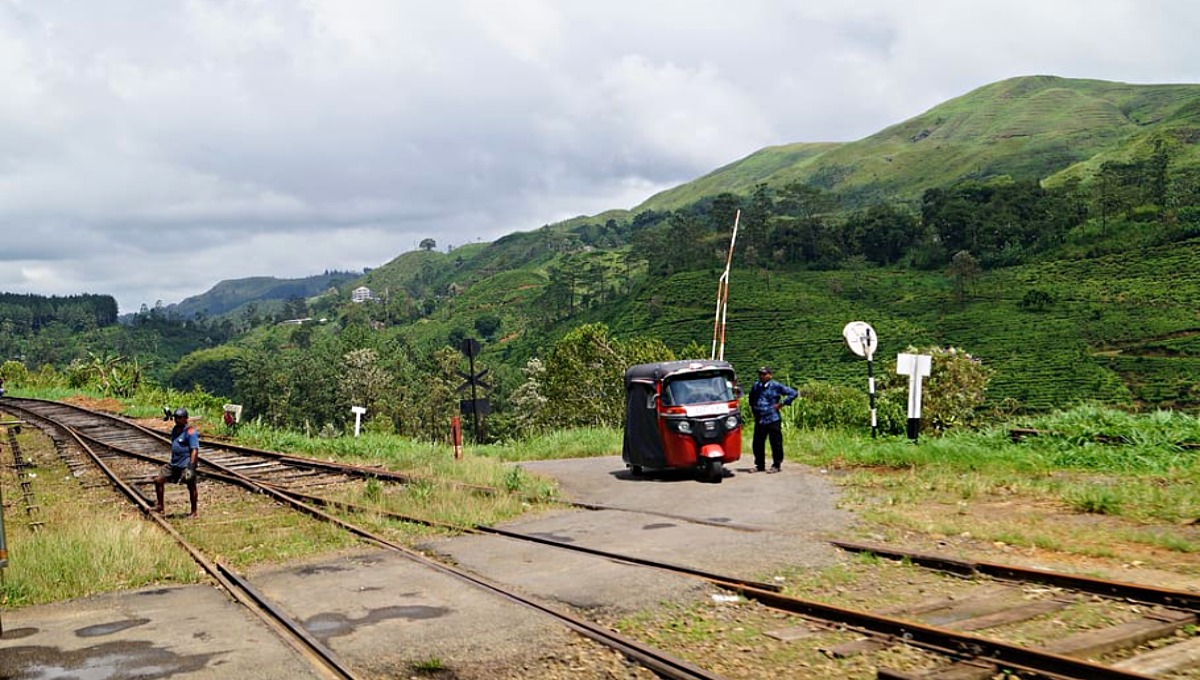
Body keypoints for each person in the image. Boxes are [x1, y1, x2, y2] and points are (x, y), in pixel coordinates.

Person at [748, 366, 798, 473]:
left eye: (764, 374)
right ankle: (760, 465)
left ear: (770, 375)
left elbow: (793, 393)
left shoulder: (776, 386)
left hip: (773, 418)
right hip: (760, 419)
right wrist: (754, 411)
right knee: (757, 443)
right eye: (760, 374)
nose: (761, 376)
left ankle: (776, 465)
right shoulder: (756, 386)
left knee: (775, 443)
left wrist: (781, 404)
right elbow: (751, 399)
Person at [154, 407, 199, 517]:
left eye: (179, 418)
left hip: (186, 465)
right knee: (158, 480)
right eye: (175, 417)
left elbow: (194, 450)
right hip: (174, 464)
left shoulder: (191, 432)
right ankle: (160, 506)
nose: (177, 420)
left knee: (191, 484)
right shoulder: (175, 429)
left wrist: (191, 466)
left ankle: (194, 511)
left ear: (186, 419)